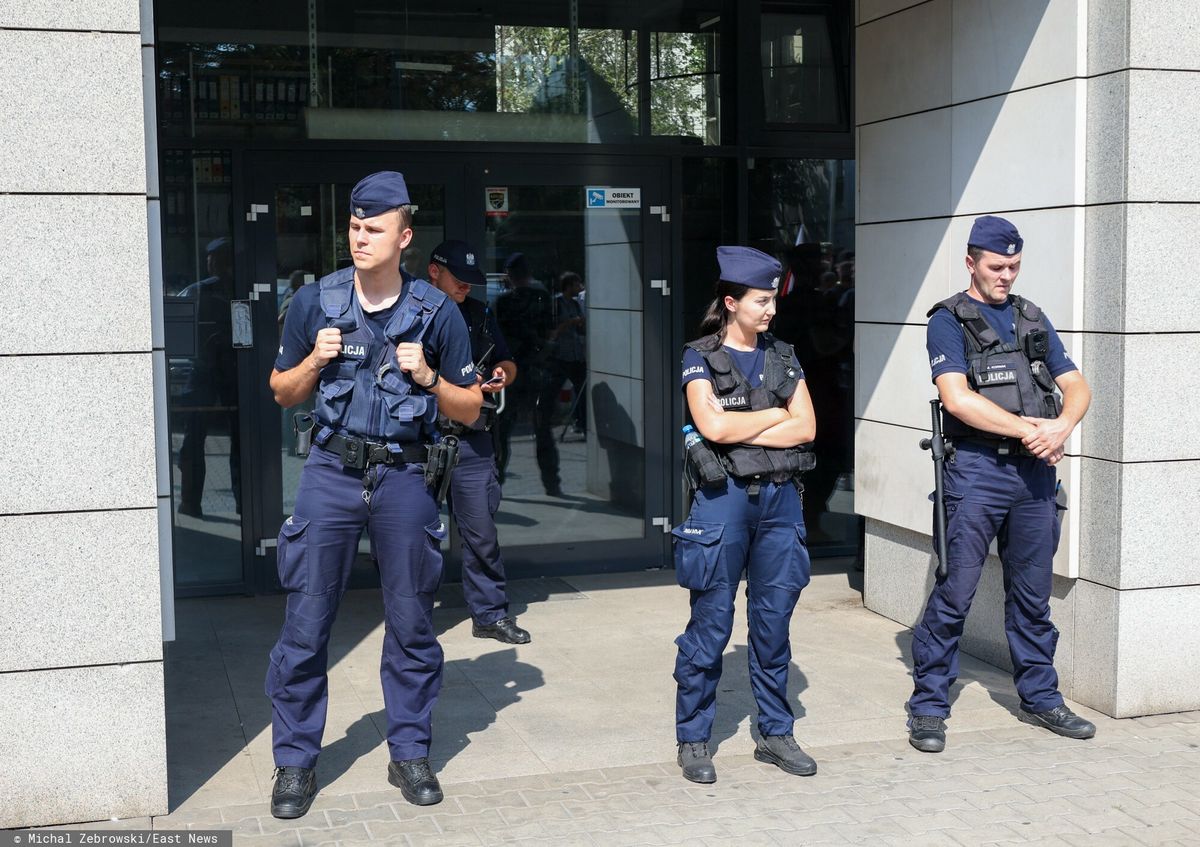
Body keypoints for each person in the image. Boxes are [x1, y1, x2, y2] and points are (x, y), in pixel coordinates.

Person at [264, 172, 482, 818]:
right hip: (330, 472)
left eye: (374, 228)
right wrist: (313, 362)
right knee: (306, 623)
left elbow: (469, 408)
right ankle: (295, 761)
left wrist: (428, 375)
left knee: (412, 621)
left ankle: (409, 749)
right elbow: (281, 390)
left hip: (405, 476)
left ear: (404, 237)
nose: (360, 237)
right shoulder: (315, 302)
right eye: (355, 227)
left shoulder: (437, 312)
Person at [907, 215, 1094, 754]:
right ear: (972, 263)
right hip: (977, 471)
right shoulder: (948, 320)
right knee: (955, 592)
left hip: (1034, 476)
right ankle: (928, 707)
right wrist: (1031, 432)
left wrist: (1061, 427)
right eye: (996, 266)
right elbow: (956, 397)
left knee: (1033, 598)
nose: (1006, 275)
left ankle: (1040, 698)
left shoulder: (1031, 316)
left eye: (1013, 266)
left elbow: (1075, 384)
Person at [673, 246, 818, 784]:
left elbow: (806, 427)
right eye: (760, 301)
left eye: (773, 300)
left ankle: (775, 734)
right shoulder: (699, 355)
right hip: (723, 503)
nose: (770, 310)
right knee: (710, 627)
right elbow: (712, 429)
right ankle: (693, 739)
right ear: (731, 302)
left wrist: (749, 425)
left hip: (781, 504)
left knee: (773, 627)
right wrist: (776, 413)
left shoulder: (783, 353)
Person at [426, 239, 531, 645]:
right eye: (459, 278)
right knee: (413, 534)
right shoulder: (407, 311)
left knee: (482, 533)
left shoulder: (479, 314)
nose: (466, 287)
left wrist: (503, 374)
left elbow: (506, 360)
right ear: (434, 271)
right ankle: (413, 616)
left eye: (472, 280)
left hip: (472, 438)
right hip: (423, 439)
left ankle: (489, 615)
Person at [177, 236, 240, 518]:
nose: (211, 263)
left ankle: (193, 504)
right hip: (211, 371)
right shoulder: (201, 292)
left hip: (221, 372)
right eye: (211, 259)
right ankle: (192, 503)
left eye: (216, 258)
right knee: (195, 440)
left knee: (231, 440)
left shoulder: (202, 292)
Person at [494, 252, 552, 486]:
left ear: (509, 275)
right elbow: (549, 332)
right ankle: (552, 482)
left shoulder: (505, 302)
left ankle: (497, 480)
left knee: (503, 429)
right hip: (535, 367)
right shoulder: (541, 298)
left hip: (512, 370)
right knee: (542, 429)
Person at [534, 271, 588, 495]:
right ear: (569, 285)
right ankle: (551, 416)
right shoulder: (555, 304)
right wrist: (570, 323)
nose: (580, 286)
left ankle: (582, 423)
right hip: (559, 357)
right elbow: (553, 331)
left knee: (582, 391)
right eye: (577, 283)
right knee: (550, 396)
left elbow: (580, 329)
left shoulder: (576, 305)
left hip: (575, 356)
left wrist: (580, 324)